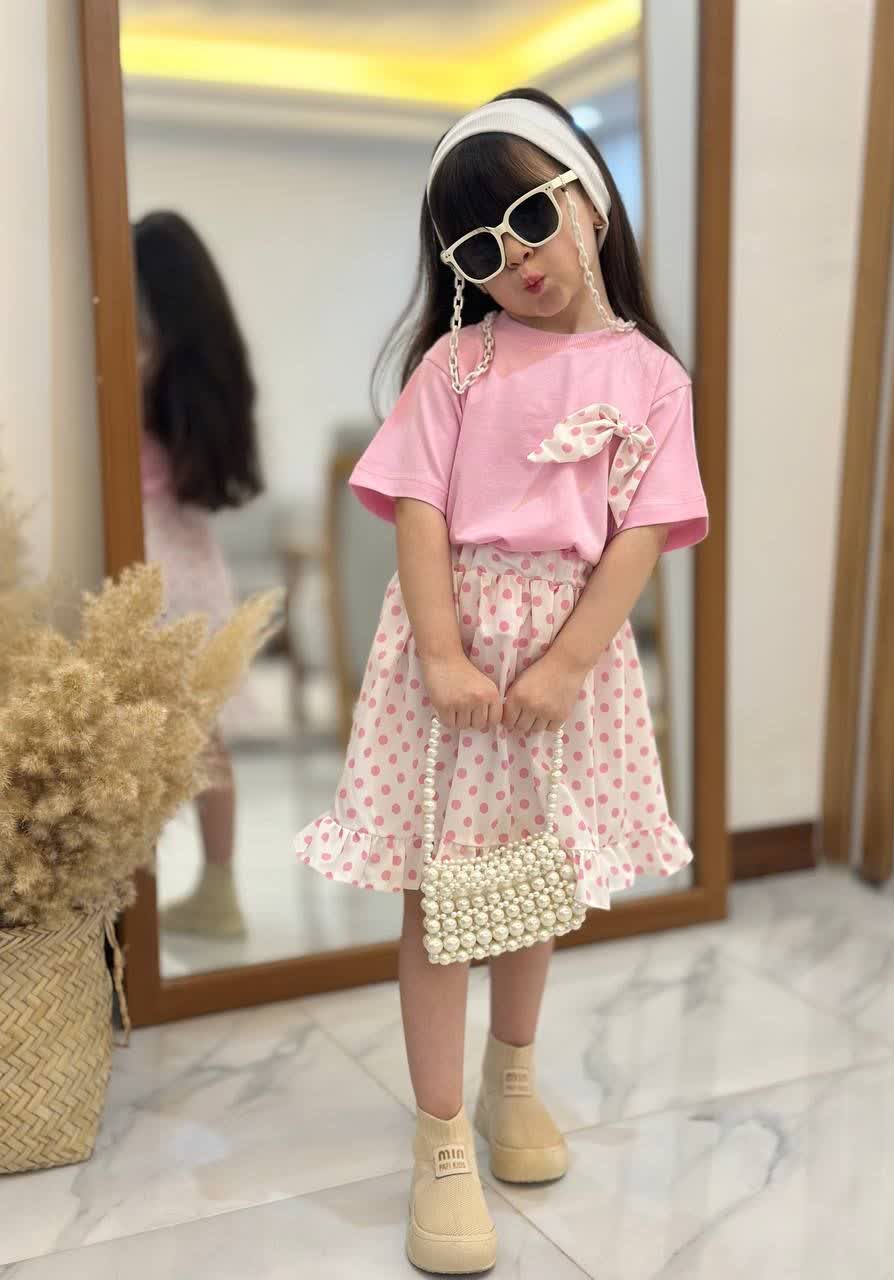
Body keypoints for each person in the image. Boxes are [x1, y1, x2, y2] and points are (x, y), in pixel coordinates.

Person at [294, 88, 708, 1275]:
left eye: (531, 216)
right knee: (440, 897)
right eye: (478, 248)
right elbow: (419, 506)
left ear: (590, 202)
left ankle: (511, 1077)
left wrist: (571, 660)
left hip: (566, 661)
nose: (516, 258)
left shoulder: (651, 378)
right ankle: (439, 1136)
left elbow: (643, 529)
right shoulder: (457, 362)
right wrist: (439, 651)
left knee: (538, 880)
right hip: (454, 653)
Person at [135, 210, 264, 941]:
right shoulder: (205, 375)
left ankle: (145, 898)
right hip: (195, 558)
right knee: (204, 733)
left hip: (153, 554)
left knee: (139, 740)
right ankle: (219, 889)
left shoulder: (142, 364)